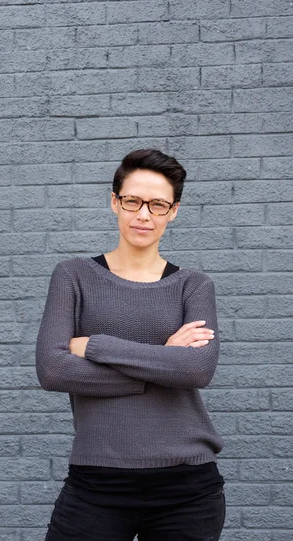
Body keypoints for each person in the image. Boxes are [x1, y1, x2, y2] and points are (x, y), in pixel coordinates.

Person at [35, 149, 225, 541]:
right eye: (133, 201)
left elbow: (196, 369)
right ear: (114, 202)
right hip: (95, 484)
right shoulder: (73, 276)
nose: (144, 215)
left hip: (186, 487)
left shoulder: (194, 285)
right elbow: (53, 370)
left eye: (158, 205)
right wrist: (162, 360)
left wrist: (93, 345)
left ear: (173, 211)